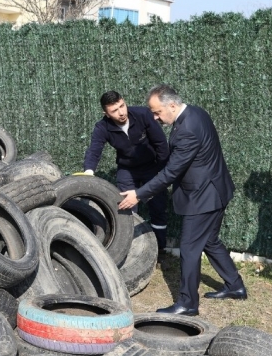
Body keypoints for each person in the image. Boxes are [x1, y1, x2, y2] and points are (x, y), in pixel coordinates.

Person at [119, 84, 246, 316]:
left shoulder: (188, 128)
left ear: (172, 105)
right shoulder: (196, 112)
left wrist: (138, 193)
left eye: (157, 112)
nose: (155, 118)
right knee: (210, 240)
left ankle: (188, 304)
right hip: (216, 189)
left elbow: (171, 173)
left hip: (203, 197)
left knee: (188, 249)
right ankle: (235, 285)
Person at [83, 90, 170, 249]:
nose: (121, 112)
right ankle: (131, 248)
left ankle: (161, 248)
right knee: (126, 208)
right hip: (127, 169)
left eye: (122, 106)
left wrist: (161, 169)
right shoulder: (102, 127)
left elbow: (161, 145)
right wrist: (89, 171)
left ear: (124, 102)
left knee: (158, 206)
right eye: (114, 110)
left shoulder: (143, 114)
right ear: (106, 113)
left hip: (151, 167)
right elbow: (94, 150)